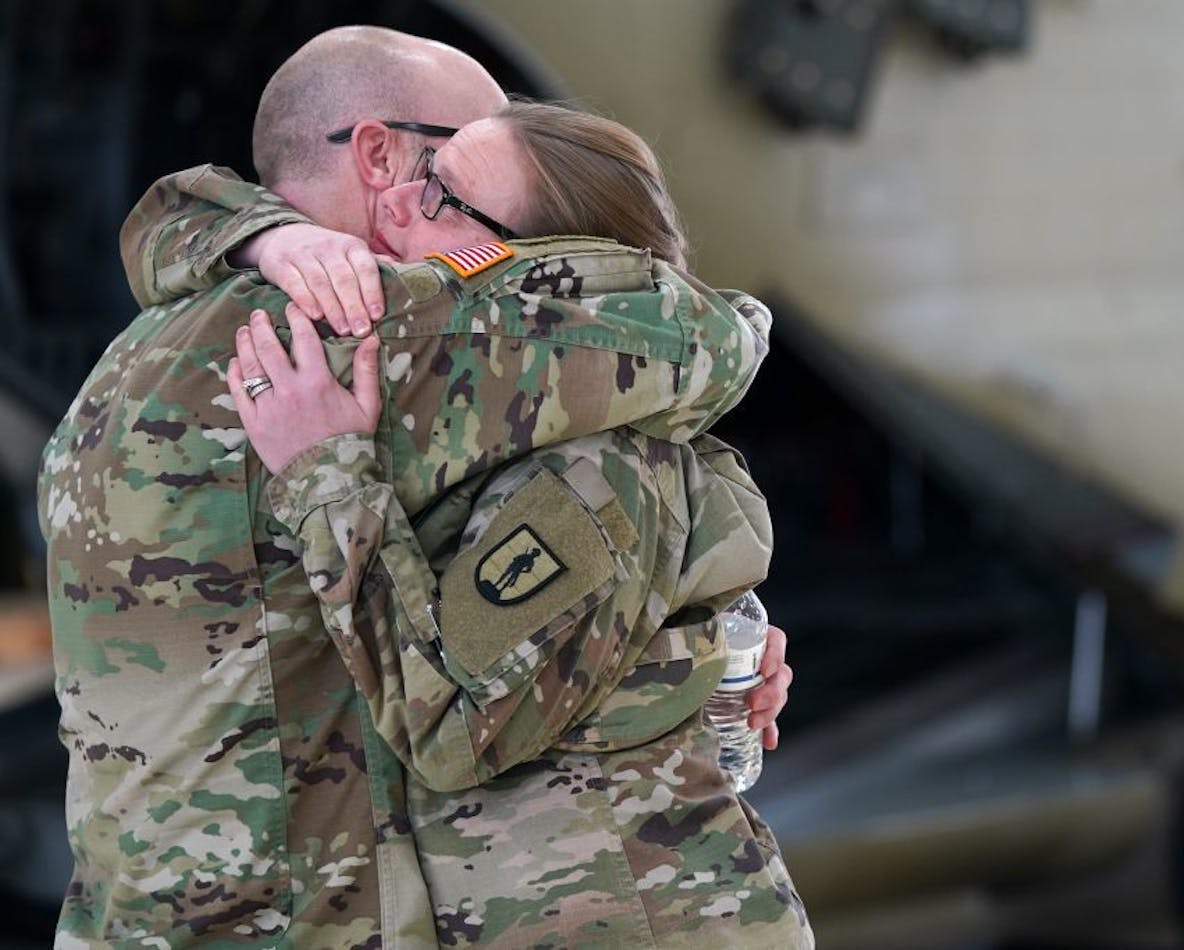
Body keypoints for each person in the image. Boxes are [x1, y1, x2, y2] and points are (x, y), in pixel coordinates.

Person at [41, 26, 791, 947]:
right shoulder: (384, 343)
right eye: (444, 162)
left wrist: (677, 632)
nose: (408, 206)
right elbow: (685, 340)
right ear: (379, 150)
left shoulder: (127, 361)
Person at [219, 99, 811, 946]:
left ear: (532, 270)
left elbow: (451, 728)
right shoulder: (519, 424)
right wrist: (269, 237)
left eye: (439, 194)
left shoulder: (590, 467)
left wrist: (323, 471)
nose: (394, 199)